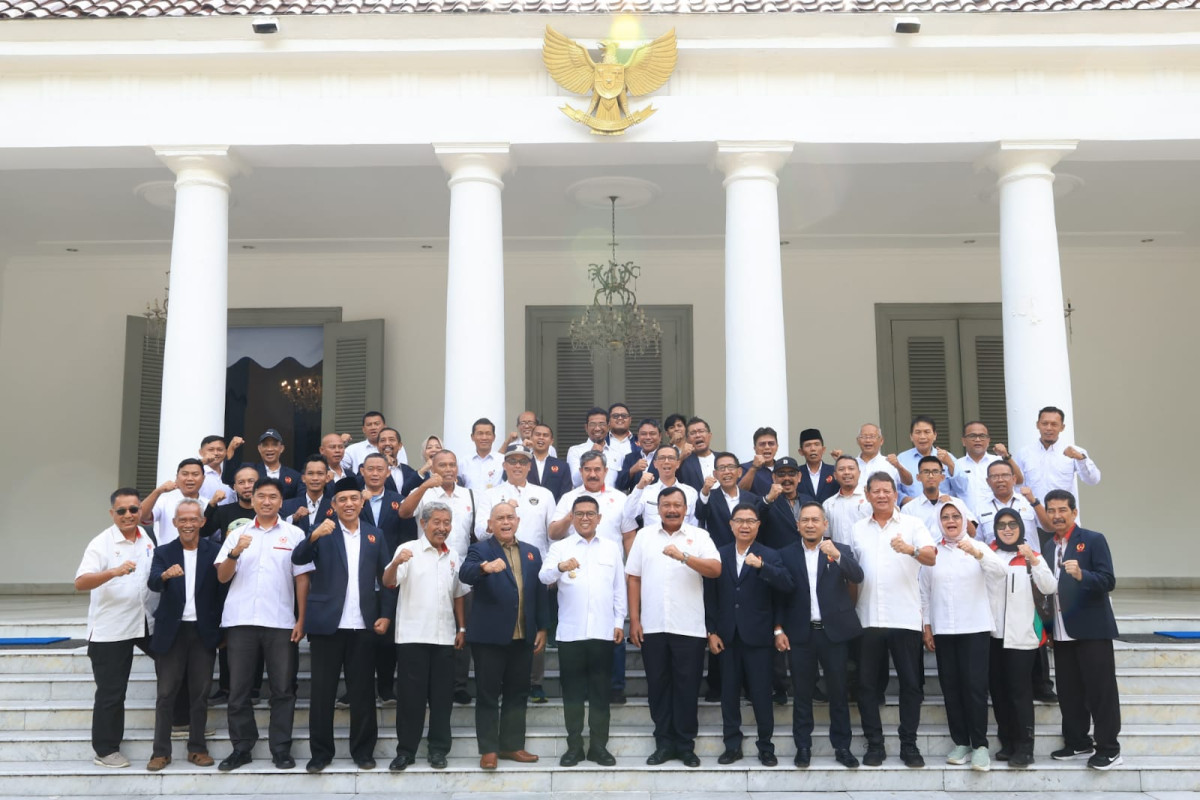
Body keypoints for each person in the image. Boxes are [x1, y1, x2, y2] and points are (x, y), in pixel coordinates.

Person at [291, 476, 396, 773]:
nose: (349, 504)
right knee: (322, 693)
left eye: (353, 499)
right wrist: (313, 535)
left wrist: (386, 614)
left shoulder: (375, 534)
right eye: (342, 500)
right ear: (334, 505)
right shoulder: (323, 530)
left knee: (362, 693)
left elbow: (388, 578)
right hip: (327, 625)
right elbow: (298, 559)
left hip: (363, 625)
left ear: (362, 502)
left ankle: (363, 752)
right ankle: (320, 754)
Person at [214, 477, 314, 772]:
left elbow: (302, 579)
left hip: (280, 621)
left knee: (283, 689)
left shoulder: (294, 534)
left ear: (281, 502)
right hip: (241, 620)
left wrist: (301, 618)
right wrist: (235, 552)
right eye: (261, 496)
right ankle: (241, 748)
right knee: (238, 690)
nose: (266, 501)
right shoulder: (238, 534)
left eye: (272, 496)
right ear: (253, 499)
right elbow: (222, 577)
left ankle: (281, 749)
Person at [627, 487, 721, 767]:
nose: (671, 509)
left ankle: (685, 745)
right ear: (658, 508)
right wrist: (635, 620)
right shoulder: (644, 536)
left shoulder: (699, 536)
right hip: (653, 625)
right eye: (666, 505)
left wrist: (685, 557)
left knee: (687, 687)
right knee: (658, 686)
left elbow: (715, 570)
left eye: (677, 505)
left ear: (686, 508)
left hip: (689, 626)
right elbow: (633, 578)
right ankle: (664, 744)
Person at [851, 472, 936, 768]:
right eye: (876, 491)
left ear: (895, 494)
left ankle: (909, 744)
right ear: (867, 495)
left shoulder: (913, 525)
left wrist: (910, 549)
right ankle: (875, 744)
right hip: (867, 618)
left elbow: (931, 557)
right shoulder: (857, 529)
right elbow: (851, 574)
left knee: (911, 685)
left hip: (904, 618)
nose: (882, 495)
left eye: (887, 491)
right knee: (866, 686)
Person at [459, 502, 549, 770]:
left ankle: (512, 745)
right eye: (500, 518)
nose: (506, 522)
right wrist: (484, 568)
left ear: (518, 521)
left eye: (510, 517)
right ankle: (488, 750)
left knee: (517, 693)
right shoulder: (480, 550)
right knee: (488, 693)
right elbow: (465, 574)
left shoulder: (532, 552)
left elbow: (539, 592)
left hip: (523, 635)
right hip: (489, 637)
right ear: (490, 524)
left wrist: (542, 627)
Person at [775, 501, 864, 769]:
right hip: (800, 634)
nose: (810, 524)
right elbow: (779, 594)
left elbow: (858, 576)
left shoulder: (840, 549)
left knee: (838, 692)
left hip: (833, 634)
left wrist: (836, 555)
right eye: (805, 520)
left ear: (825, 524)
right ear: (798, 525)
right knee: (802, 693)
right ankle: (803, 746)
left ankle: (842, 747)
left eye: (815, 520)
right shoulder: (786, 553)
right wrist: (778, 628)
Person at [704, 501, 793, 766]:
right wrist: (711, 632)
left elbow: (785, 589)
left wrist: (763, 567)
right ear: (731, 525)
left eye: (750, 521)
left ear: (758, 525)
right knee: (729, 694)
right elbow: (710, 597)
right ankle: (732, 745)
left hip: (759, 636)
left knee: (762, 694)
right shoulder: (718, 554)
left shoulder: (770, 555)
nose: (745, 525)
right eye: (739, 521)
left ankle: (766, 746)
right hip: (727, 637)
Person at [539, 495, 626, 767]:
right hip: (571, 633)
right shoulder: (560, 547)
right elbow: (543, 576)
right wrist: (560, 567)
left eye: (590, 514)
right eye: (579, 514)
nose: (585, 518)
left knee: (601, 693)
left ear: (599, 518)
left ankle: (599, 747)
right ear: (572, 517)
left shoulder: (611, 548)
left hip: (602, 631)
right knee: (573, 694)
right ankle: (574, 746)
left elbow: (618, 588)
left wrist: (619, 622)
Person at [383, 502, 470, 771]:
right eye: (437, 522)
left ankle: (438, 750)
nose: (442, 528)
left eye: (447, 523)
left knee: (442, 699)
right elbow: (388, 581)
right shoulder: (408, 550)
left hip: (444, 637)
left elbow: (458, 594)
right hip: (413, 636)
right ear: (423, 523)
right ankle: (406, 751)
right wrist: (396, 562)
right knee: (411, 699)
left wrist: (462, 628)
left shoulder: (453, 555)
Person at [74, 487, 156, 769]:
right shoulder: (101, 543)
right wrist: (113, 571)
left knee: (175, 661)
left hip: (145, 621)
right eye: (122, 511)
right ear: (112, 513)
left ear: (140, 510)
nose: (128, 515)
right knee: (112, 692)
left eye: (134, 509)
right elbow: (80, 582)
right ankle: (106, 750)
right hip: (111, 629)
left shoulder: (147, 537)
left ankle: (180, 721)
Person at [920, 498, 1005, 772]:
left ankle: (980, 745)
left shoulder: (978, 547)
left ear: (965, 520)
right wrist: (927, 626)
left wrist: (978, 554)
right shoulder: (933, 552)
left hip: (974, 628)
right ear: (939, 522)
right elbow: (924, 592)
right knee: (951, 688)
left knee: (975, 687)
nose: (951, 521)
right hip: (944, 629)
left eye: (956, 516)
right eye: (945, 517)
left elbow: (1000, 573)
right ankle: (961, 742)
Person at [549, 450, 638, 704]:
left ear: (606, 472)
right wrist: (573, 514)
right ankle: (584, 688)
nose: (592, 474)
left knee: (613, 627)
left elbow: (629, 535)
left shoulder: (619, 498)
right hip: (575, 574)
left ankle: (615, 686)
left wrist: (629, 569)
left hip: (609, 569)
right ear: (580, 472)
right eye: (587, 469)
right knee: (581, 631)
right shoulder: (569, 498)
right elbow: (553, 533)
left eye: (597, 469)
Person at [1044, 489, 1122, 770]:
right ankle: (1077, 741)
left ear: (1074, 512)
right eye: (1051, 511)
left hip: (1092, 630)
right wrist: (1048, 628)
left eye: (1062, 510)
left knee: (1100, 691)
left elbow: (1108, 580)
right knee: (1069, 691)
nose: (1057, 515)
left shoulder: (1092, 540)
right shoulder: (1048, 546)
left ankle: (1109, 748)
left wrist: (1082, 575)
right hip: (1061, 632)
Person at [476, 443, 558, 702]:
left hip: (534, 566)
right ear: (504, 465)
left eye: (523, 461)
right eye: (513, 461)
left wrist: (550, 569)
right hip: (497, 567)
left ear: (530, 466)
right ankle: (501, 681)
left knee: (534, 623)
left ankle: (535, 682)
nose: (518, 466)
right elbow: (479, 532)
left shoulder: (544, 494)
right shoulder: (490, 494)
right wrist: (503, 512)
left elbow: (552, 534)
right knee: (503, 621)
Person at [146, 499, 224, 771]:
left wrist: (222, 630)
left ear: (202, 522)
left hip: (203, 632)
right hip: (172, 632)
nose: (188, 524)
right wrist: (165, 576)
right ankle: (160, 752)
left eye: (193, 519)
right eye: (183, 519)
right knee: (166, 694)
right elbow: (153, 581)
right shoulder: (164, 552)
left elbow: (223, 591)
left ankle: (197, 748)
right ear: (175, 523)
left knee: (200, 694)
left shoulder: (215, 551)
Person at [400, 448, 478, 705]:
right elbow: (404, 512)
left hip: (460, 569)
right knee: (431, 626)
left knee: (461, 627)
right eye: (442, 465)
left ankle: (459, 684)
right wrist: (424, 485)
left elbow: (474, 532)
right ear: (433, 467)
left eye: (452, 465)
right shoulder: (424, 491)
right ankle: (429, 684)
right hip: (427, 567)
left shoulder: (468, 495)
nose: (448, 469)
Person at [985, 508, 1057, 768]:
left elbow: (1050, 587)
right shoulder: (988, 554)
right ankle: (1008, 743)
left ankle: (1025, 747)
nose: (1007, 529)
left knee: (1019, 693)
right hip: (993, 636)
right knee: (999, 692)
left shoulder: (1031, 555)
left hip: (1022, 637)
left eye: (1012, 524)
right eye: (1001, 525)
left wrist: (1034, 560)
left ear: (1021, 527)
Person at [1013, 407, 1101, 526]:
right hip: (1033, 521)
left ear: (1062, 427)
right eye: (1045, 423)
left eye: (1054, 424)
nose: (1049, 428)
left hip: (1065, 521)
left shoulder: (1075, 451)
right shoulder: (1024, 453)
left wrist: (1081, 458)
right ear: (1037, 425)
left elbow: (1093, 480)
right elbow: (1018, 487)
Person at [951, 421, 1023, 516]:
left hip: (996, 517)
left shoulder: (998, 461)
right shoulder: (956, 465)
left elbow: (1019, 480)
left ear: (988, 440)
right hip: (967, 518)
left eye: (982, 436)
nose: (977, 439)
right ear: (963, 441)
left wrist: (1006, 456)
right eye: (972, 436)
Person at [697, 451, 762, 549]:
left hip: (748, 553)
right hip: (718, 552)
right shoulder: (708, 497)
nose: (727, 471)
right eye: (722, 468)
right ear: (715, 474)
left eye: (731, 467)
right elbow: (700, 514)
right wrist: (705, 492)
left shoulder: (752, 499)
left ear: (739, 472)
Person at [625, 445, 700, 530]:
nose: (666, 461)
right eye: (662, 458)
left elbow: (694, 525)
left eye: (671, 458)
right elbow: (629, 514)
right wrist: (639, 487)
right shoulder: (646, 491)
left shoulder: (690, 492)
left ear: (678, 463)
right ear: (655, 464)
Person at [976, 459, 1046, 550]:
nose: (1000, 480)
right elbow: (977, 543)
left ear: (1014, 479)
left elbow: (1049, 527)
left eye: (1005, 475)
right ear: (988, 481)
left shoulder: (1029, 502)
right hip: (996, 558)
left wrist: (1034, 502)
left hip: (1029, 558)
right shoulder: (980, 508)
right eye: (994, 477)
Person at [901, 456, 977, 537]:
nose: (931, 476)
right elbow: (905, 537)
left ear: (942, 477)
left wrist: (955, 507)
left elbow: (972, 533)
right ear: (918, 477)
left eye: (935, 472)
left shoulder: (956, 503)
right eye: (926, 472)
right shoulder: (909, 509)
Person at [141, 458, 211, 546]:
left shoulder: (210, 504)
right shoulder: (164, 501)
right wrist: (158, 491)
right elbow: (142, 516)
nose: (190, 478)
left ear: (203, 478)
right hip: (167, 553)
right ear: (177, 477)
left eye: (195, 474)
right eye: (185, 474)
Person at [832, 423, 911, 491]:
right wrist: (840, 462)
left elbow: (908, 482)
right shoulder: (851, 465)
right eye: (864, 437)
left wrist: (899, 466)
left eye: (872, 436)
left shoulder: (890, 463)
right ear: (858, 441)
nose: (868, 440)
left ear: (881, 441)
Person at [897, 416, 957, 500]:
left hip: (942, 506)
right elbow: (895, 487)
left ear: (935, 435)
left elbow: (962, 487)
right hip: (912, 506)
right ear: (911, 436)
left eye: (927, 432)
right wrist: (904, 500)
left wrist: (950, 464)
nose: (922, 437)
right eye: (918, 432)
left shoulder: (947, 457)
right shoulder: (902, 459)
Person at [758, 456, 810, 550]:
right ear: (774, 477)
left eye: (791, 473)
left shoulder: (809, 500)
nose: (786, 478)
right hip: (778, 555)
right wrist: (768, 499)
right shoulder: (767, 502)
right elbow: (756, 521)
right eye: (781, 474)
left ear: (799, 477)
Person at [822, 456, 870, 546]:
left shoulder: (870, 500)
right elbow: (827, 536)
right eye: (841, 469)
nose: (847, 472)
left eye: (851, 468)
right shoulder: (828, 504)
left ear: (859, 473)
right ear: (835, 475)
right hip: (838, 554)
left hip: (865, 553)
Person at [281, 455, 334, 535]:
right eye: (310, 473)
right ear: (303, 478)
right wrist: (293, 518)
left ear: (327, 478)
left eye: (320, 474)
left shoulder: (334, 507)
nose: (315, 478)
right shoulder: (287, 506)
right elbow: (276, 528)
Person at [203, 464, 258, 540]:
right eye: (241, 482)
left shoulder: (267, 511)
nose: (246, 486)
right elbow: (203, 532)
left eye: (251, 481)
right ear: (234, 487)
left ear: (259, 484)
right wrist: (212, 504)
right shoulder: (224, 511)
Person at [567, 407, 618, 488]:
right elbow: (575, 482)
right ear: (586, 428)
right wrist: (591, 455)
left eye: (601, 424)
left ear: (608, 427)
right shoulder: (575, 451)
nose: (597, 428)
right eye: (593, 424)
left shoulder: (617, 454)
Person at [616, 418, 662, 493]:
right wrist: (632, 470)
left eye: (652, 434)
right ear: (638, 436)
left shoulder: (666, 456)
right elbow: (620, 485)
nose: (648, 437)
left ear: (660, 436)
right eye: (643, 434)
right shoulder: (630, 458)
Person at [528, 422, 573, 501]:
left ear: (551, 441)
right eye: (538, 434)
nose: (541, 437)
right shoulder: (522, 463)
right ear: (531, 438)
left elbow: (565, 494)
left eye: (545, 435)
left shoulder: (563, 466)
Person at [797, 428, 839, 502]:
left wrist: (840, 460)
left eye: (816, 444)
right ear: (801, 451)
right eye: (808, 445)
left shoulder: (834, 471)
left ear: (823, 449)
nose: (813, 449)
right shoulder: (796, 473)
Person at [461, 418, 504, 492]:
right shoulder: (463, 462)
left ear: (494, 437)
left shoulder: (503, 461)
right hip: (470, 500)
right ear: (472, 437)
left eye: (488, 434)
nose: (484, 438)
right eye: (480, 433)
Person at [376, 427, 419, 494]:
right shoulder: (367, 468)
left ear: (400, 445)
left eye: (391, 440)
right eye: (383, 440)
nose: (387, 443)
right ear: (377, 446)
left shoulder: (409, 471)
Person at [738, 426, 779, 496]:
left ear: (777, 447)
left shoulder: (782, 468)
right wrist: (754, 468)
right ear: (755, 448)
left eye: (771, 443)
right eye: (762, 444)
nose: (767, 447)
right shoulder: (744, 468)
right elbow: (739, 492)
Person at [678, 417, 715, 491]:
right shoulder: (684, 462)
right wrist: (681, 457)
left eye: (701, 431)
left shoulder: (721, 458)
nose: (698, 435)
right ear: (687, 439)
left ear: (710, 435)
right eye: (693, 433)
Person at [198, 435, 234, 504]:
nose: (216, 453)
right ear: (200, 452)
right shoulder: (197, 473)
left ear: (226, 452)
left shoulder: (229, 473)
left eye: (220, 450)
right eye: (211, 450)